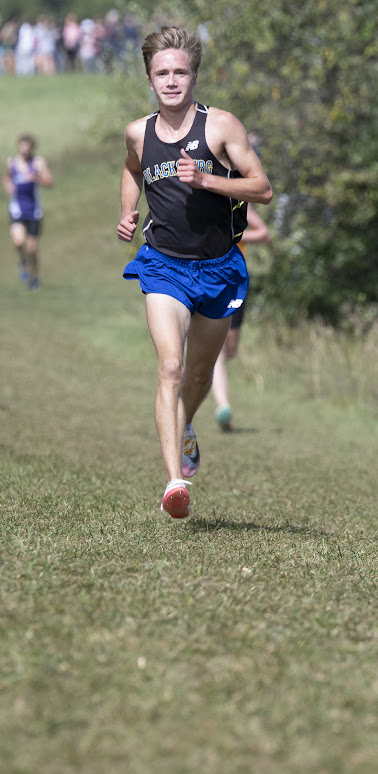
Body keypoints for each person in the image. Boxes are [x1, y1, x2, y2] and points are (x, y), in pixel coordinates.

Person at [117, 26, 272, 519]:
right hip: (163, 264)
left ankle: (184, 427)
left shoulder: (221, 126)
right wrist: (128, 210)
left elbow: (262, 189)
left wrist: (207, 179)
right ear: (149, 78)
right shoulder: (138, 132)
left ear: (194, 75)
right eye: (161, 73)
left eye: (180, 71)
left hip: (220, 267)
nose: (171, 81)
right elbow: (131, 169)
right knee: (170, 365)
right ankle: (174, 482)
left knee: (201, 372)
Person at [212, 204, 271, 430]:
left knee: (230, 350)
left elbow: (263, 233)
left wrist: (235, 232)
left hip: (236, 279)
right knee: (217, 350)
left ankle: (203, 370)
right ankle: (223, 405)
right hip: (212, 278)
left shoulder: (240, 206)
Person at [3, 134, 53, 289]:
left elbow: (49, 182)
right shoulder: (11, 162)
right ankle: (22, 262)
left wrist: (37, 178)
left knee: (32, 249)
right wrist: (8, 187)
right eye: (21, 146)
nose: (24, 149)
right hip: (17, 209)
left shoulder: (38, 163)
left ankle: (35, 276)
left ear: (32, 147)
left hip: (34, 211)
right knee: (18, 241)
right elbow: (6, 178)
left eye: (27, 146)